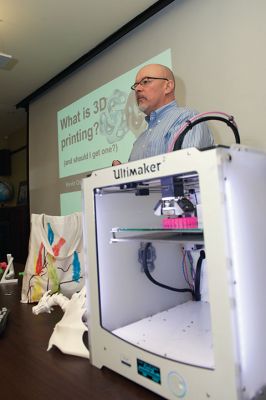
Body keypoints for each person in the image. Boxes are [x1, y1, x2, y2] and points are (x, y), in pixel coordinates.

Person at [112, 64, 214, 165]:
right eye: (136, 85)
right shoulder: (139, 141)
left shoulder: (188, 118)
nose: (137, 89)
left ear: (168, 86)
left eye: (145, 82)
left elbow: (188, 170)